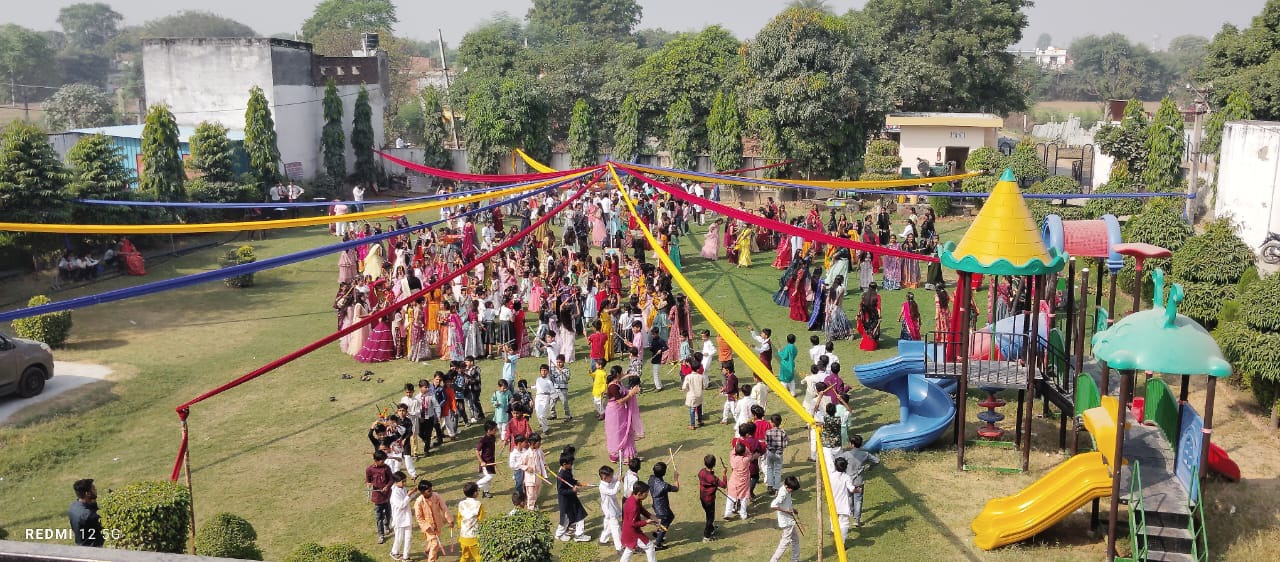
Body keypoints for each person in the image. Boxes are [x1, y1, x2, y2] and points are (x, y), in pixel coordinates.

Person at [555, 449, 593, 542]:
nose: (572, 465)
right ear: (564, 464)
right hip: (565, 501)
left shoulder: (566, 471)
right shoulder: (561, 475)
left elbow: (570, 480)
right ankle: (559, 534)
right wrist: (572, 490)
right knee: (566, 519)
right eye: (570, 463)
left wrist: (577, 482)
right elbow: (560, 490)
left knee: (579, 515)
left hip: (572, 498)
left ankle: (578, 534)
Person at [843, 434, 880, 528]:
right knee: (858, 500)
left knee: (849, 498)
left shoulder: (846, 455)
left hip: (848, 481)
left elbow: (838, 463)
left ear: (852, 444)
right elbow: (877, 461)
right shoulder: (865, 454)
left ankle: (852, 512)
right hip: (859, 481)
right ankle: (857, 520)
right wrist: (870, 467)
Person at [413, 479, 453, 562]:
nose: (431, 492)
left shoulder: (436, 496)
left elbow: (444, 508)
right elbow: (419, 517)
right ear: (422, 492)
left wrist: (450, 520)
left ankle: (427, 551)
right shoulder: (418, 502)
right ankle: (431, 560)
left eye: (431, 490)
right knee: (435, 543)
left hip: (437, 524)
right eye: (429, 491)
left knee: (433, 540)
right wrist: (427, 527)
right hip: (428, 527)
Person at [620, 482, 658, 562]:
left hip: (627, 530)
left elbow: (641, 509)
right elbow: (633, 523)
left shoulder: (632, 499)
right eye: (646, 493)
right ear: (639, 493)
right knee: (650, 547)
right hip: (633, 533)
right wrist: (646, 522)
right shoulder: (633, 507)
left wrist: (650, 516)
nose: (647, 495)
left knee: (630, 549)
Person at [768, 476, 802, 562]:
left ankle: (795, 559)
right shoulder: (783, 494)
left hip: (789, 520)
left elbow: (786, 504)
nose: (792, 491)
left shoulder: (786, 490)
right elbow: (773, 505)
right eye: (792, 489)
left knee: (795, 540)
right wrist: (786, 511)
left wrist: (792, 509)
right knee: (784, 543)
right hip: (787, 522)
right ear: (787, 486)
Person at [648, 461, 680, 550]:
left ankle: (659, 533)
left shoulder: (651, 479)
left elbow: (657, 473)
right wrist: (676, 478)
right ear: (664, 473)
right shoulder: (664, 486)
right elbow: (676, 488)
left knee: (669, 517)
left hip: (656, 505)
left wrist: (660, 468)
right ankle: (657, 543)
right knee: (665, 524)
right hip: (663, 509)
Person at [366, 450, 395, 544]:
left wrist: (387, 486)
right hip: (377, 497)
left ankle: (386, 525)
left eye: (384, 460)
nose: (383, 462)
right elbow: (368, 481)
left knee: (388, 513)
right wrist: (369, 485)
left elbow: (391, 479)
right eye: (382, 460)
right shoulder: (369, 469)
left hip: (387, 496)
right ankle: (381, 535)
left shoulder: (386, 468)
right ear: (376, 460)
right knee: (379, 517)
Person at [697, 455, 727, 542]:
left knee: (708, 515)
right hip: (709, 500)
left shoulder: (701, 472)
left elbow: (706, 480)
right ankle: (706, 536)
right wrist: (724, 474)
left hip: (703, 497)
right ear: (714, 464)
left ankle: (711, 528)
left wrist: (713, 486)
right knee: (710, 518)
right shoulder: (713, 478)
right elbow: (724, 485)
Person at [68, 478, 103, 547]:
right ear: (88, 494)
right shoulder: (89, 515)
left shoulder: (73, 506)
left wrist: (93, 503)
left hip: (80, 543)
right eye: (93, 489)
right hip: (92, 548)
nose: (96, 490)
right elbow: (105, 524)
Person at [388, 471, 414, 561]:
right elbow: (401, 505)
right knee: (399, 538)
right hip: (399, 519)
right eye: (403, 481)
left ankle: (406, 557)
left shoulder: (403, 489)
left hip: (407, 518)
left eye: (405, 481)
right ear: (396, 482)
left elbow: (407, 499)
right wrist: (409, 495)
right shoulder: (394, 494)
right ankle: (394, 552)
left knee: (408, 538)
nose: (405, 483)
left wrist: (413, 492)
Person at [456, 482, 485, 562]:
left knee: (465, 557)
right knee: (479, 557)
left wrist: (462, 527)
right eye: (478, 490)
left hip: (463, 536)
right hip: (474, 537)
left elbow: (459, 518)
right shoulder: (478, 504)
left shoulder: (461, 504)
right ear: (475, 493)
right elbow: (481, 519)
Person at [598, 465, 624, 552]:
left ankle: (603, 540)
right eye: (611, 476)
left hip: (612, 507)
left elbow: (616, 478)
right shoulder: (602, 487)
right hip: (609, 510)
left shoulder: (608, 480)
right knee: (615, 528)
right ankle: (619, 547)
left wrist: (619, 476)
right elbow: (613, 491)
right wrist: (619, 481)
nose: (612, 477)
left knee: (608, 525)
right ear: (604, 477)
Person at [831, 456, 857, 543]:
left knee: (833, 519)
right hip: (843, 504)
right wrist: (858, 490)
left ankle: (834, 533)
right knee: (844, 523)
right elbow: (851, 489)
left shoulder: (830, 476)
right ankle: (841, 542)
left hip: (832, 503)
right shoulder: (846, 477)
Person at [724, 442, 751, 520]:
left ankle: (727, 513)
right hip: (743, 483)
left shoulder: (733, 459)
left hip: (734, 481)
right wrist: (745, 447)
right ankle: (743, 514)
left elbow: (732, 452)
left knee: (730, 496)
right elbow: (749, 454)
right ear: (744, 452)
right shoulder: (745, 460)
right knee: (743, 498)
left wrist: (736, 447)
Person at [763, 414, 789, 495]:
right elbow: (785, 444)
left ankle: (770, 485)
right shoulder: (783, 432)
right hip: (779, 454)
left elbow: (766, 443)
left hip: (770, 453)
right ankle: (776, 487)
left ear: (772, 423)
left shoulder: (768, 432)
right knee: (778, 470)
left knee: (769, 468)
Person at [522, 433, 548, 510]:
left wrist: (545, 464)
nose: (540, 444)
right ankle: (530, 508)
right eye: (538, 443)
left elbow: (542, 459)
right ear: (533, 443)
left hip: (538, 476)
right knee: (531, 493)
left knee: (537, 492)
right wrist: (527, 468)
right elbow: (521, 464)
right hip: (530, 478)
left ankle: (533, 503)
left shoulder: (539, 451)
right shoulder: (526, 454)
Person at [476, 421, 498, 498]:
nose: (496, 430)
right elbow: (477, 451)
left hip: (491, 460)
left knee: (488, 479)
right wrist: (482, 462)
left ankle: (486, 492)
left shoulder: (493, 437)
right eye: (495, 429)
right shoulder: (483, 440)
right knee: (489, 476)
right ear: (489, 430)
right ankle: (475, 486)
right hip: (485, 462)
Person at [682, 362, 706, 429]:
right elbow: (704, 386)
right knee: (699, 408)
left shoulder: (688, 377)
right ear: (698, 369)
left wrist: (688, 390)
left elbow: (684, 387)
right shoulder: (701, 376)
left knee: (692, 410)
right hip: (699, 395)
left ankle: (692, 425)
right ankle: (700, 421)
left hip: (692, 396)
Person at [549, 354, 573, 421]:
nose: (558, 364)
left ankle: (568, 416)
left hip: (563, 389)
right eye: (557, 362)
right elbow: (552, 379)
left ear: (563, 362)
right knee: (552, 402)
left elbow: (567, 379)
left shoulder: (566, 370)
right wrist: (550, 375)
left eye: (560, 362)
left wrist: (562, 373)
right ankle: (553, 415)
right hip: (555, 389)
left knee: (564, 403)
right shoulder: (554, 369)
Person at [534, 364, 555, 433]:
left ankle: (545, 429)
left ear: (548, 372)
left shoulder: (549, 382)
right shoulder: (538, 379)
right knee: (537, 413)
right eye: (542, 370)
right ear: (540, 371)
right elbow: (537, 387)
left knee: (542, 415)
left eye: (545, 370)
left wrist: (550, 396)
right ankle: (542, 424)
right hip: (538, 397)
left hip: (545, 398)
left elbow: (553, 391)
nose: (543, 372)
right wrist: (530, 387)